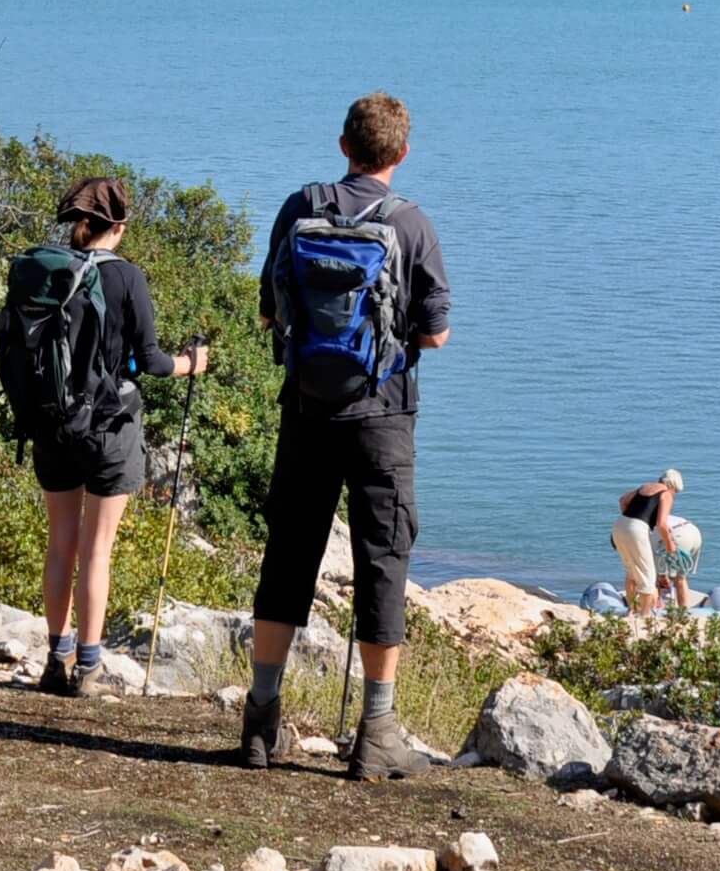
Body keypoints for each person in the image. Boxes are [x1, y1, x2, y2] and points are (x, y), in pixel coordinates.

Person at [239, 93, 450, 780]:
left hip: (304, 412)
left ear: (343, 145)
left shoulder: (300, 207)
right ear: (403, 153)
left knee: (289, 555)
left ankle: (261, 723)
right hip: (382, 420)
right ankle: (378, 732)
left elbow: (270, 309)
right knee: (382, 560)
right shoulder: (411, 224)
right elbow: (435, 333)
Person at [31, 175, 211, 699]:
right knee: (98, 549)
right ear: (121, 228)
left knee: (60, 544)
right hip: (109, 427)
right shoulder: (127, 278)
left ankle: (54, 660)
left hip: (53, 423)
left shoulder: (48, 270)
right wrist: (191, 364)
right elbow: (151, 361)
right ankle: (89, 669)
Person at [613, 470, 686, 616]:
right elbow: (662, 524)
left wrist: (630, 520)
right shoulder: (666, 494)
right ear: (673, 486)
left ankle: (631, 611)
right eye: (676, 492)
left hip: (619, 525)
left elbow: (622, 500)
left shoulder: (645, 487)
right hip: (636, 530)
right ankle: (645, 616)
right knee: (649, 577)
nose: (674, 494)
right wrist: (669, 544)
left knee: (631, 572)